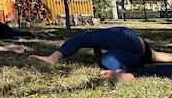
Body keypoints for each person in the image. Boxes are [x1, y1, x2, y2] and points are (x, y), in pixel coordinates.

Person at [29, 26, 172, 81]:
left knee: (87, 39)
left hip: (133, 46)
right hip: (136, 56)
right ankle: (119, 73)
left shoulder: (116, 42)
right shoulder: (111, 55)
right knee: (106, 58)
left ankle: (53, 57)